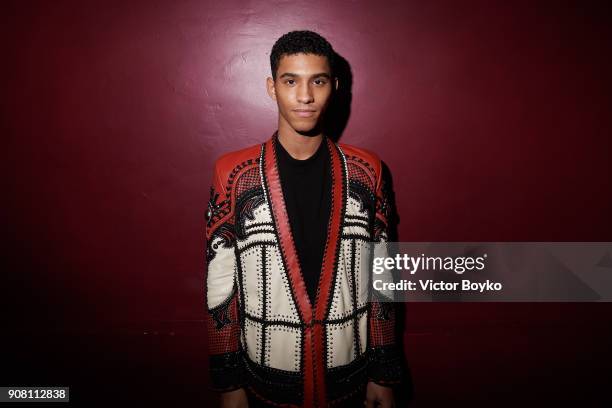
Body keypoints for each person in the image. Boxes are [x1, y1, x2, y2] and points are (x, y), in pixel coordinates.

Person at [205, 30, 403, 407]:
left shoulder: (367, 170)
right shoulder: (234, 172)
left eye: (318, 81)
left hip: (351, 376)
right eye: (290, 80)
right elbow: (220, 285)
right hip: (263, 379)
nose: (305, 96)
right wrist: (228, 384)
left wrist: (384, 372)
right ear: (271, 87)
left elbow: (383, 279)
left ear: (335, 87)